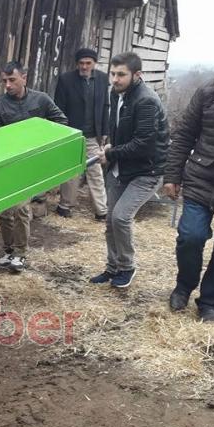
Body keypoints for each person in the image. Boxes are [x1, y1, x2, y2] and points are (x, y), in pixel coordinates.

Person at [163, 31, 214, 323]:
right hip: (201, 179)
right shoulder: (208, 92)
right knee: (190, 237)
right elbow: (183, 136)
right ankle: (184, 286)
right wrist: (172, 176)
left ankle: (210, 302)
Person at [91, 52, 169, 289]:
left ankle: (127, 266)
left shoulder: (146, 101)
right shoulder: (116, 94)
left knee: (121, 217)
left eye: (121, 75)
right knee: (110, 221)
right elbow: (120, 128)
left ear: (137, 75)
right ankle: (112, 267)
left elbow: (144, 143)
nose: (115, 79)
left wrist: (111, 153)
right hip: (122, 167)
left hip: (147, 171)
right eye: (113, 74)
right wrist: (110, 145)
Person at [0, 61, 68, 272]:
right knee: (4, 211)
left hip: (29, 164)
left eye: (12, 80)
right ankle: (8, 250)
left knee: (21, 208)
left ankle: (21, 253)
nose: (7, 85)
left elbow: (61, 121)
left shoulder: (40, 99)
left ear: (24, 77)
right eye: (4, 81)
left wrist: (41, 144)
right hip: (7, 163)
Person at [54, 47, 110, 220]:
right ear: (77, 64)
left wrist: (106, 131)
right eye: (81, 63)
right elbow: (59, 108)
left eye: (88, 63)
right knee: (71, 172)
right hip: (72, 133)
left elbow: (105, 106)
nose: (84, 66)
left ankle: (101, 211)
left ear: (94, 63)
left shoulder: (102, 78)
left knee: (95, 171)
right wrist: (62, 133)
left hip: (94, 134)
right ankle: (65, 206)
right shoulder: (66, 80)